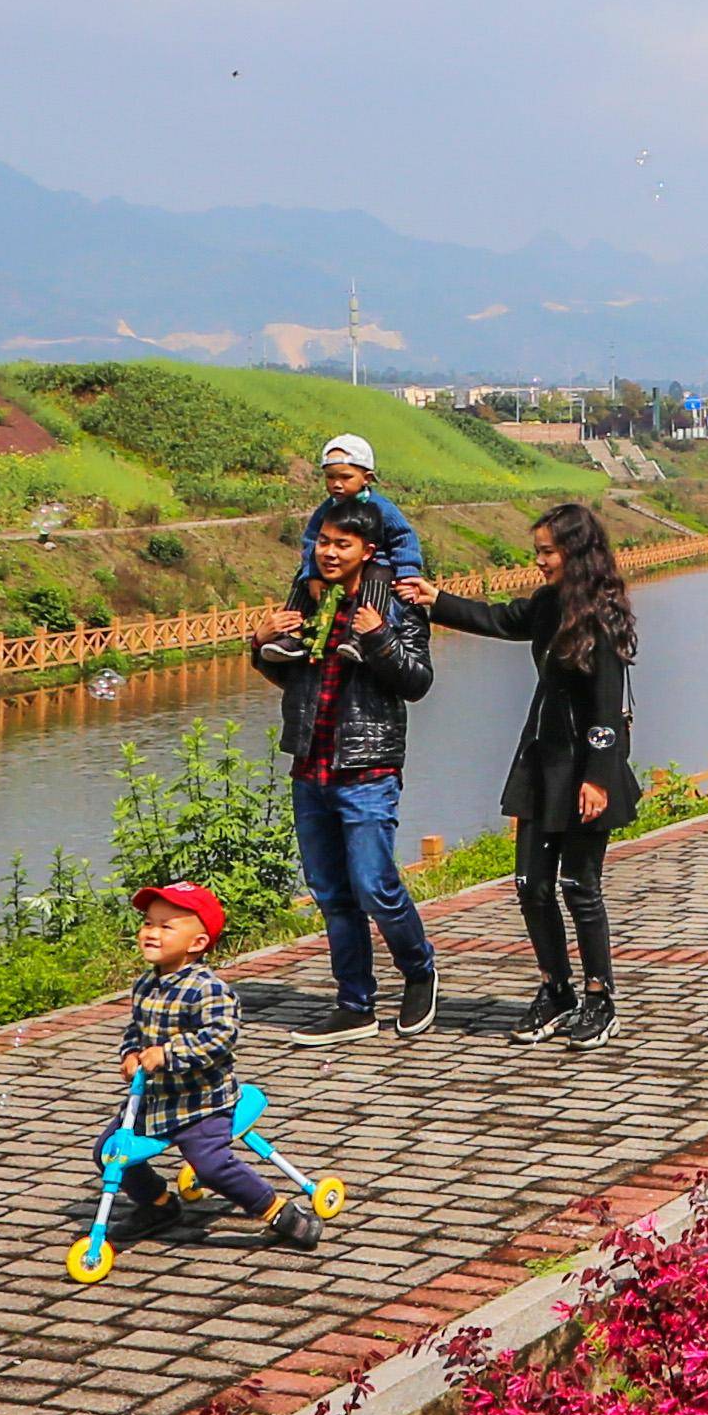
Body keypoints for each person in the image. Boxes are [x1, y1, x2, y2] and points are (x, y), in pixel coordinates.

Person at [405, 499, 640, 1042]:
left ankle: (599, 998)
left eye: (548, 552)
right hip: (542, 766)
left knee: (580, 886)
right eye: (537, 551)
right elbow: (498, 619)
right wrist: (435, 600)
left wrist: (599, 777)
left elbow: (607, 708)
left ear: (576, 553)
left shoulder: (603, 616)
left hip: (586, 772)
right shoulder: (546, 605)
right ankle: (555, 989)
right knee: (531, 884)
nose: (539, 561)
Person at [253, 512, 439, 1038]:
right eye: (324, 543)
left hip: (367, 767)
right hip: (310, 765)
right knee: (331, 892)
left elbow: (417, 681)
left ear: (368, 550)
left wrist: (378, 636)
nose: (330, 554)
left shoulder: (395, 603)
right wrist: (258, 642)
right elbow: (288, 676)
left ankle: (420, 971)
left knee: (375, 886)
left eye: (344, 544)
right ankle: (355, 1003)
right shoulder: (307, 603)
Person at [115, 880, 313, 1239]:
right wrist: (130, 1052)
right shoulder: (145, 984)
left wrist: (168, 1053)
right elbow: (137, 1029)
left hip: (201, 1102)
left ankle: (275, 1209)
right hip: (153, 1099)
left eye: (165, 926)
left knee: (211, 1165)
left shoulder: (210, 990)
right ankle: (158, 1204)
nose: (151, 932)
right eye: (147, 923)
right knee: (112, 1153)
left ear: (197, 943)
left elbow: (218, 1038)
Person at [304, 432, 428, 586]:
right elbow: (311, 539)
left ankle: (372, 610)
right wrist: (313, 574)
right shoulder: (327, 509)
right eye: (330, 477)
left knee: (377, 579)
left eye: (345, 477)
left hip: (376, 566)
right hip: (338, 564)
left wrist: (407, 575)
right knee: (303, 582)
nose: (336, 484)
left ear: (367, 478)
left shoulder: (383, 509)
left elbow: (404, 540)